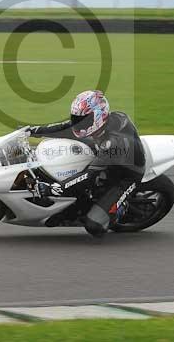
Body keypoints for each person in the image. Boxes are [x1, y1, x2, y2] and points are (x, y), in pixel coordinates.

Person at [28, 90, 145, 237]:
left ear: (98, 116)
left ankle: (121, 207)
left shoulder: (112, 142)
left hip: (126, 175)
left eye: (83, 119)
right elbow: (65, 128)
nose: (78, 123)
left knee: (94, 226)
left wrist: (54, 188)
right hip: (109, 158)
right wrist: (33, 130)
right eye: (77, 118)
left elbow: (89, 175)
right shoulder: (102, 124)